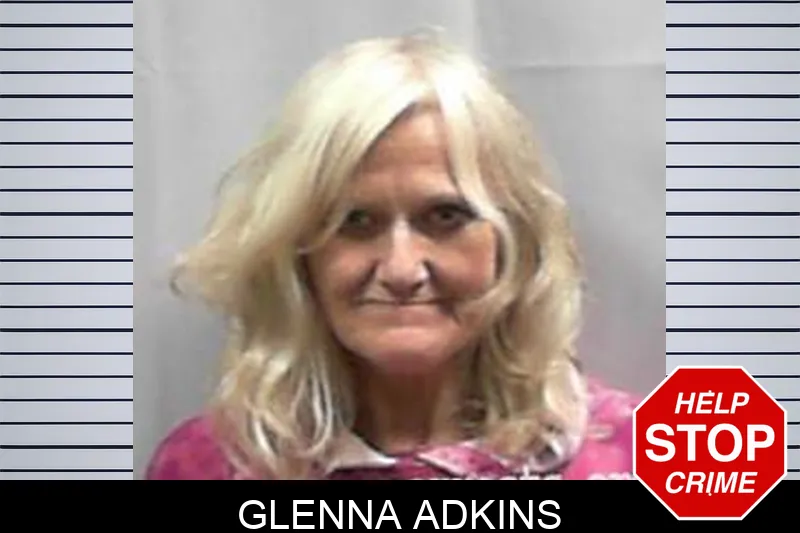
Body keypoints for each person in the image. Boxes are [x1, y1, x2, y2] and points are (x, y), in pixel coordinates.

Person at [145, 32, 640, 481]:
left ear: (514, 242)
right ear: (296, 250)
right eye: (355, 221)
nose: (402, 270)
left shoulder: (644, 454)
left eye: (445, 216)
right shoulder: (204, 466)